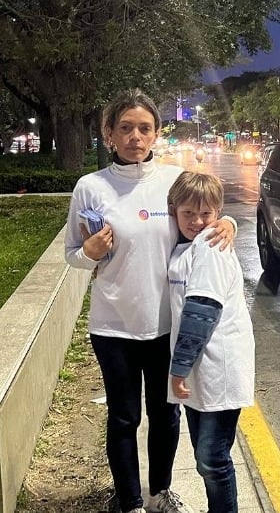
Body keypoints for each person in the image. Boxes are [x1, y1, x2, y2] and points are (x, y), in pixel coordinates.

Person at [64, 89, 237, 513]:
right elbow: (71, 255)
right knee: (124, 419)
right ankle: (129, 500)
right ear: (109, 134)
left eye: (144, 128)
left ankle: (159, 492)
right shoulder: (90, 188)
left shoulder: (170, 181)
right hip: (113, 326)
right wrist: (88, 254)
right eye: (125, 128)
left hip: (167, 326)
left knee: (165, 416)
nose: (135, 137)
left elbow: (203, 213)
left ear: (157, 133)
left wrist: (229, 221)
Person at [166, 171, 254, 513]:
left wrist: (179, 367)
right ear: (174, 211)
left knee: (212, 458)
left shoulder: (210, 246)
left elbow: (202, 311)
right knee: (207, 457)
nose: (198, 221)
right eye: (188, 213)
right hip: (200, 372)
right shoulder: (185, 244)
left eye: (207, 214)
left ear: (216, 211)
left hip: (218, 367)